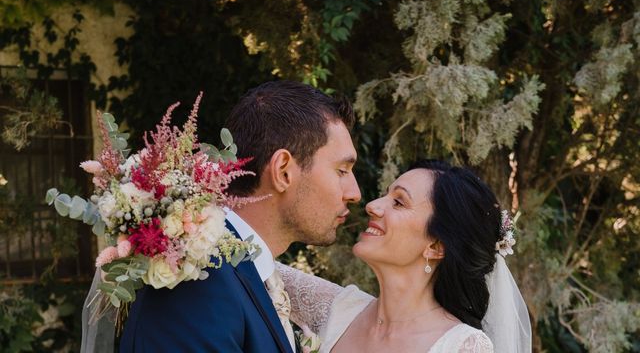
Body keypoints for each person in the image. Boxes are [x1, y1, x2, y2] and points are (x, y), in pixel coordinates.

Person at [117, 81, 362, 352]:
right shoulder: (200, 282)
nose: (355, 193)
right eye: (342, 170)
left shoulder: (240, 271)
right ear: (283, 171)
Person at [278, 159, 532, 352]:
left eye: (398, 202)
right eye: (386, 195)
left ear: (436, 246)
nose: (372, 206)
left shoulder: (462, 346)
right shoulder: (339, 308)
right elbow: (249, 254)